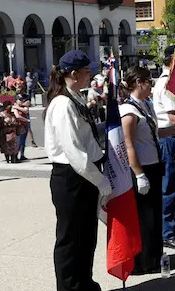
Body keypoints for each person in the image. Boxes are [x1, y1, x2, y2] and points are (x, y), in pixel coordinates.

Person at [44, 50, 111, 291]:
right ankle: (70, 287)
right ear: (74, 74)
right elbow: (73, 151)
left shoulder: (76, 98)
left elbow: (87, 139)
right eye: (86, 71)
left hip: (84, 176)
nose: (90, 74)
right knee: (70, 239)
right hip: (72, 176)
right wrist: (101, 181)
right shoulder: (62, 104)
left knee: (86, 236)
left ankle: (84, 282)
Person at [120, 66, 175, 274]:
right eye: (148, 82)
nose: (151, 86)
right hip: (141, 169)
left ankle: (153, 256)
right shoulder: (129, 111)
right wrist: (139, 174)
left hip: (153, 166)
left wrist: (174, 129)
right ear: (138, 83)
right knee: (143, 217)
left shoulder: (145, 105)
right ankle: (142, 261)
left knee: (153, 214)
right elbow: (129, 145)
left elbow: (156, 133)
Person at [152, 45, 175, 250]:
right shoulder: (168, 83)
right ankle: (166, 231)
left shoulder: (173, 81)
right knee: (170, 187)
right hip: (170, 138)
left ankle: (171, 226)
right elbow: (172, 114)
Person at [13, 94, 31, 161]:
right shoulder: (14, 108)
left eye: (22, 100)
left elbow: (26, 110)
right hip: (19, 126)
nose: (21, 101)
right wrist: (26, 120)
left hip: (25, 126)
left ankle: (22, 155)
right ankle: (15, 156)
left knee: (23, 142)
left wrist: (17, 107)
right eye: (19, 100)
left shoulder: (22, 107)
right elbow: (17, 116)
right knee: (18, 141)